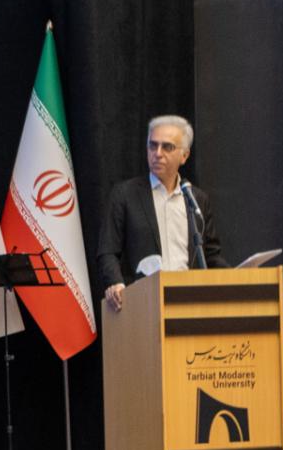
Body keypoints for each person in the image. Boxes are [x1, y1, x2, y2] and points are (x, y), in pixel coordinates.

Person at [94, 114, 227, 314]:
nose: (157, 153)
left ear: (184, 156)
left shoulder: (196, 199)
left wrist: (239, 277)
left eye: (167, 147)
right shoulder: (125, 194)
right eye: (152, 145)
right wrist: (116, 283)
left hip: (190, 304)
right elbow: (108, 251)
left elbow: (210, 255)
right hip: (144, 305)